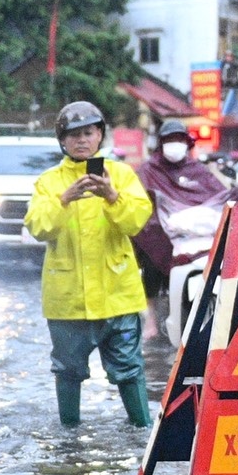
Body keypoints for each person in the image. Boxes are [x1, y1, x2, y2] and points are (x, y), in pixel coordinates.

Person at [24, 100, 154, 429]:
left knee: (129, 367)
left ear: (100, 136)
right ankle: (69, 433)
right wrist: (64, 200)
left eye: (89, 133)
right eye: (73, 135)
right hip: (68, 300)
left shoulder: (122, 175)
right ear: (62, 141)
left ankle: (142, 432)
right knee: (67, 370)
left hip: (118, 295)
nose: (82, 140)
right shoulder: (49, 182)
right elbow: (38, 227)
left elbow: (137, 221)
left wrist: (112, 196)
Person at [133, 117, 238, 338]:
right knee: (151, 253)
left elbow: (217, 194)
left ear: (187, 143)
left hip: (195, 232)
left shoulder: (197, 169)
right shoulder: (148, 169)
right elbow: (138, 199)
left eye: (178, 139)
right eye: (170, 140)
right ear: (161, 143)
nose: (175, 144)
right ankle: (151, 316)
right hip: (162, 231)